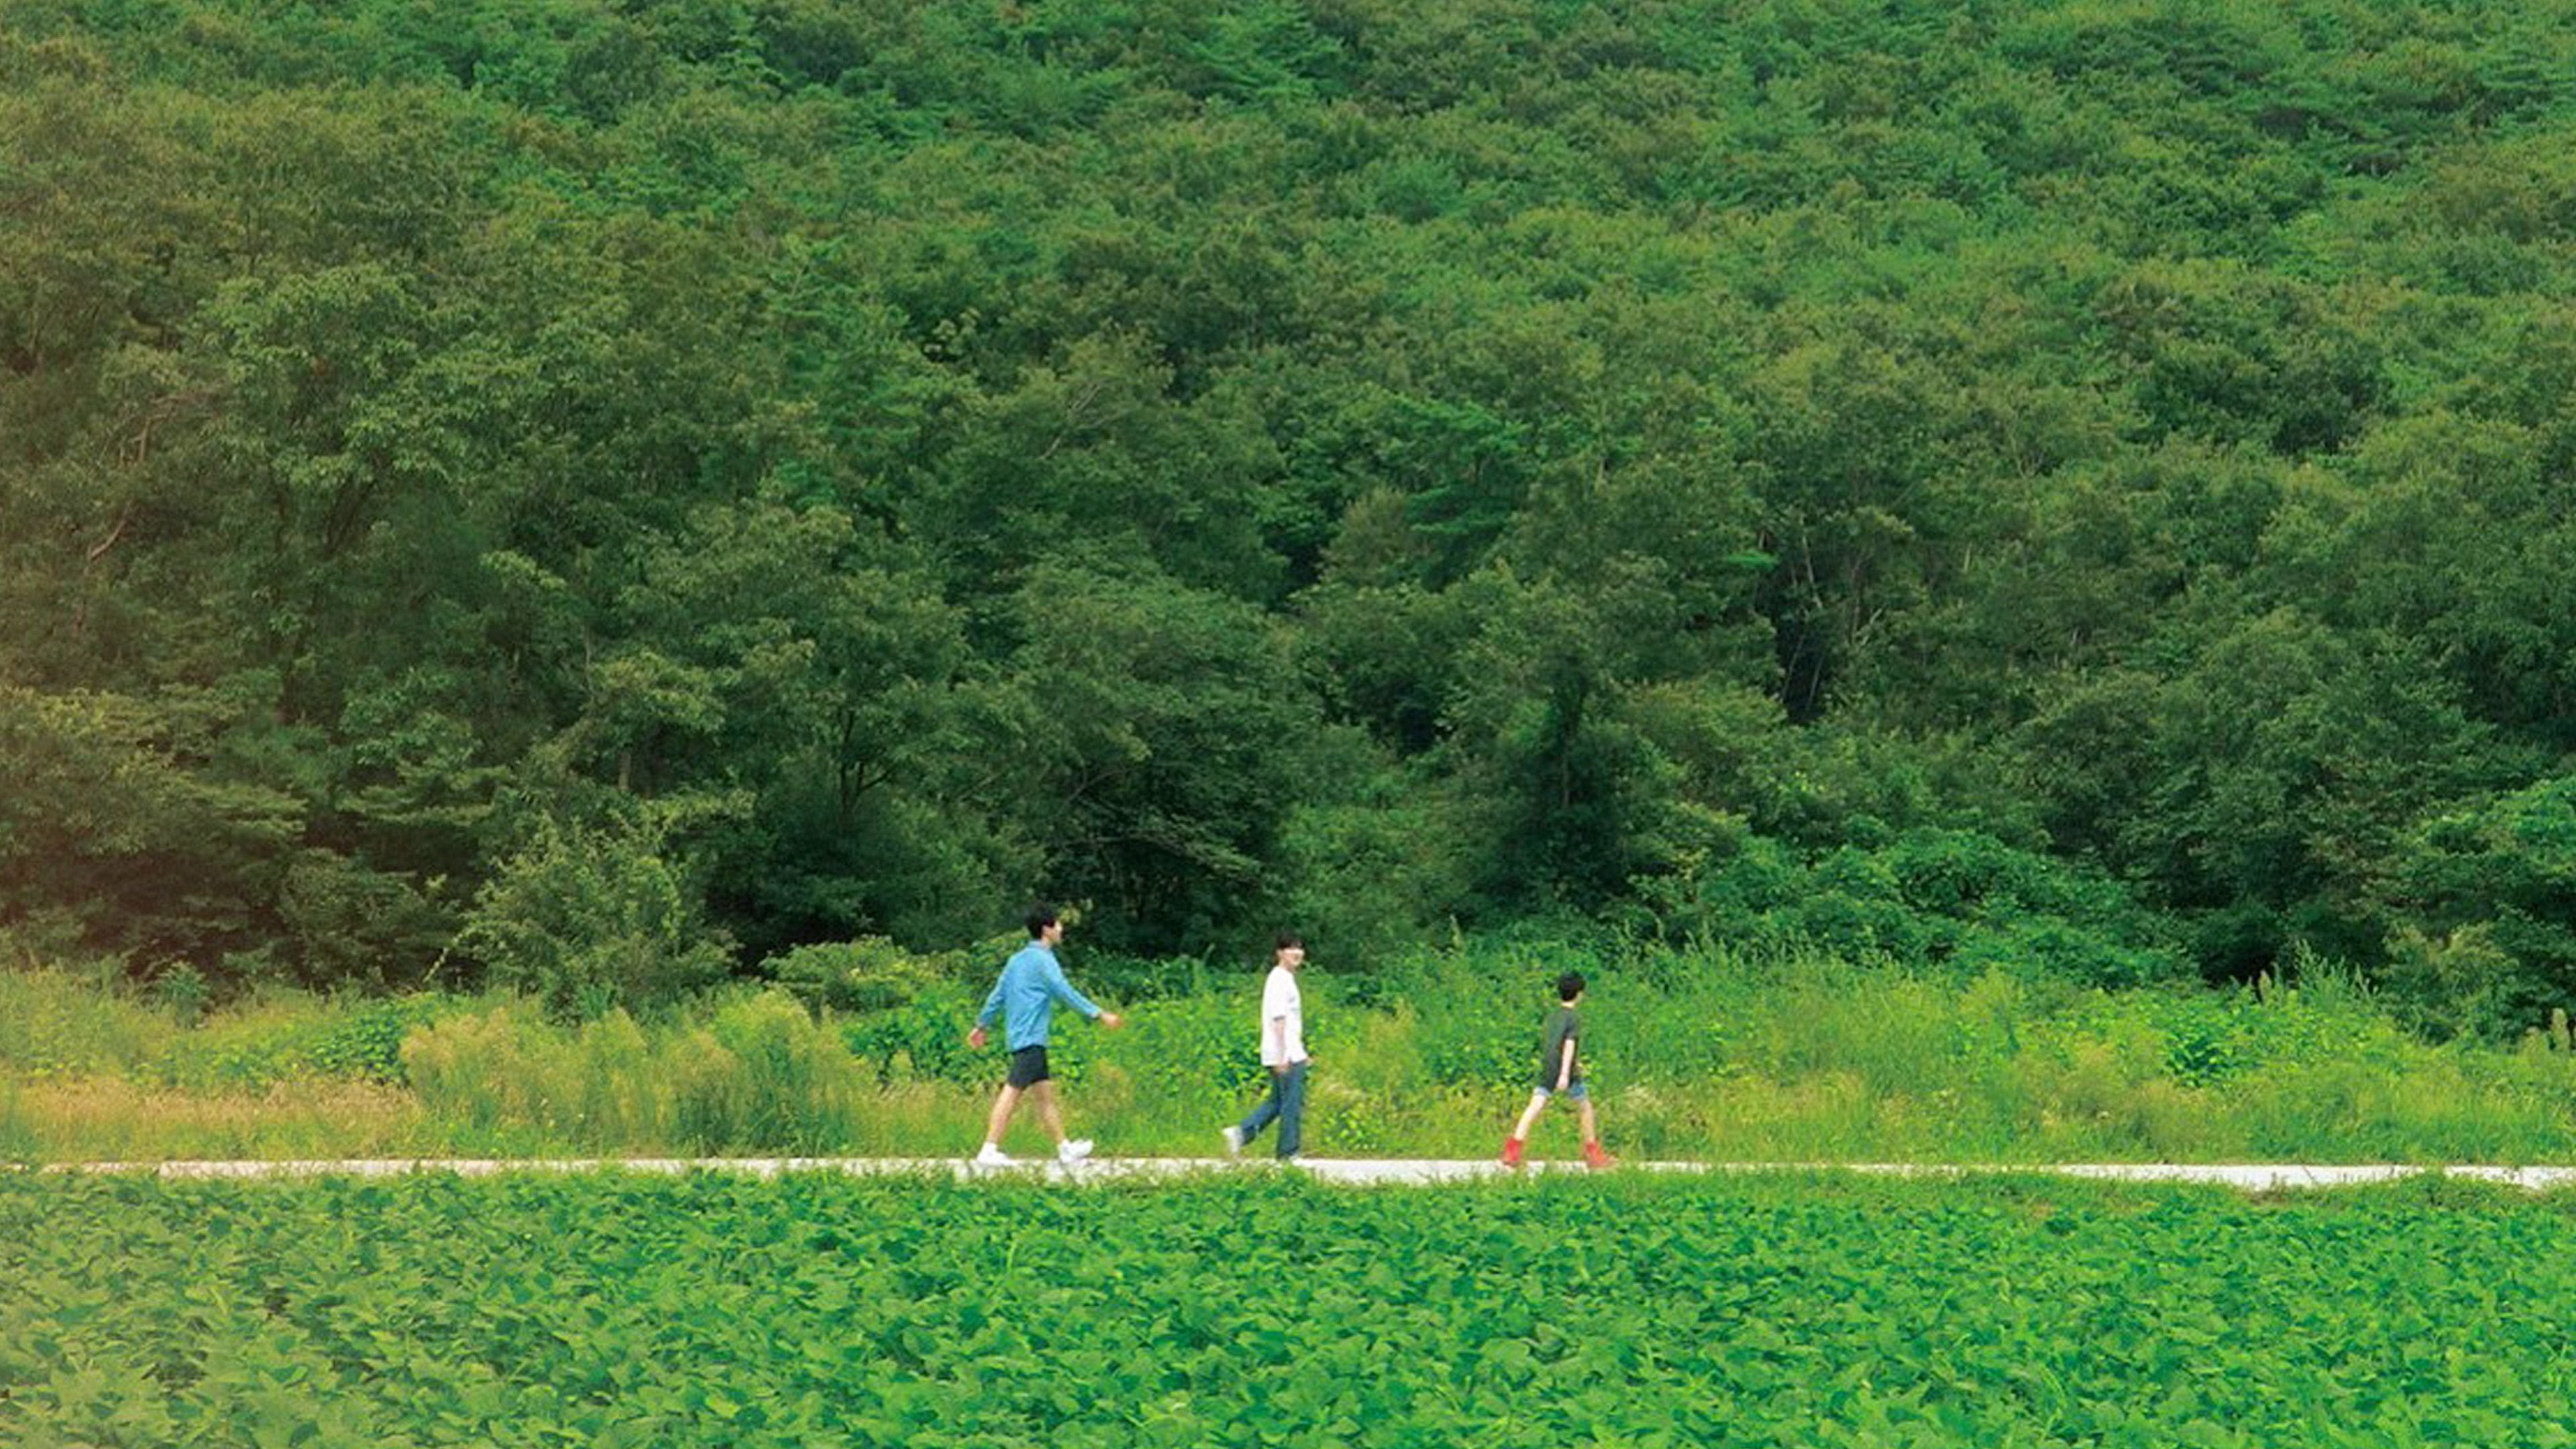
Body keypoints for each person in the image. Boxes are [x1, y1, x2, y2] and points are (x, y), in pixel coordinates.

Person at [968, 904, 1122, 1166]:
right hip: (1030, 1037)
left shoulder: (1016, 961)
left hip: (1023, 1036)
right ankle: (989, 1149)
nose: (1061, 929)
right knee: (1012, 1092)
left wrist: (982, 1024)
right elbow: (1065, 992)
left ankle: (1064, 1149)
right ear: (1046, 929)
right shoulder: (1043, 961)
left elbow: (997, 995)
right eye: (1058, 924)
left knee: (1044, 1097)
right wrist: (1099, 1014)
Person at [1500, 971, 1613, 1171]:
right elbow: (1569, 1044)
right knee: (1585, 1107)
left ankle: (1513, 1150)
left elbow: (1551, 1042)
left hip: (1549, 1065)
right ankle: (1593, 1155)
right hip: (1564, 1068)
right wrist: (1565, 1073)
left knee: (1535, 1106)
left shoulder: (1552, 1016)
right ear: (1579, 994)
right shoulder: (1573, 1018)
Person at [1220, 932, 1310, 1163]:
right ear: (1280, 953)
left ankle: (1241, 1134)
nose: (1297, 953)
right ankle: (1288, 1153)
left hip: (1290, 1050)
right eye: (1291, 948)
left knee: (1277, 1102)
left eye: (1300, 948)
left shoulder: (1284, 978)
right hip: (1286, 1053)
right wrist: (1282, 1055)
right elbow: (1279, 1019)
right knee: (1291, 1103)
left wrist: (1299, 1050)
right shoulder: (1280, 979)